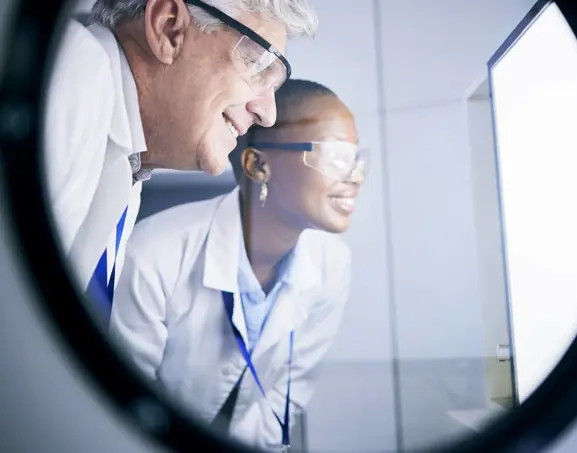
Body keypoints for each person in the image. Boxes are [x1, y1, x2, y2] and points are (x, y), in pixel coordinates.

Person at [108, 79, 367, 450]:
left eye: (356, 158)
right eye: (336, 156)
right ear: (258, 165)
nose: (355, 175)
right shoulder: (151, 255)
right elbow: (120, 406)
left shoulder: (333, 263)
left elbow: (281, 401)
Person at [43, 0, 317, 317]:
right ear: (168, 28)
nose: (268, 114)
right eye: (257, 64)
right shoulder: (75, 72)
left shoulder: (127, 165)